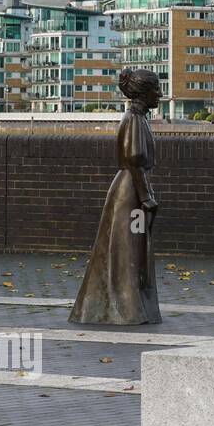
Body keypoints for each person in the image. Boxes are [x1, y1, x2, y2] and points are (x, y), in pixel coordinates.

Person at [69, 68, 163, 325]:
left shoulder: (138, 118)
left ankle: (133, 305)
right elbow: (134, 160)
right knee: (128, 247)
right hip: (131, 193)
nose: (161, 94)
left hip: (133, 189)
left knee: (133, 245)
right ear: (144, 93)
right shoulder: (133, 120)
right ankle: (126, 307)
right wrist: (146, 196)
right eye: (157, 89)